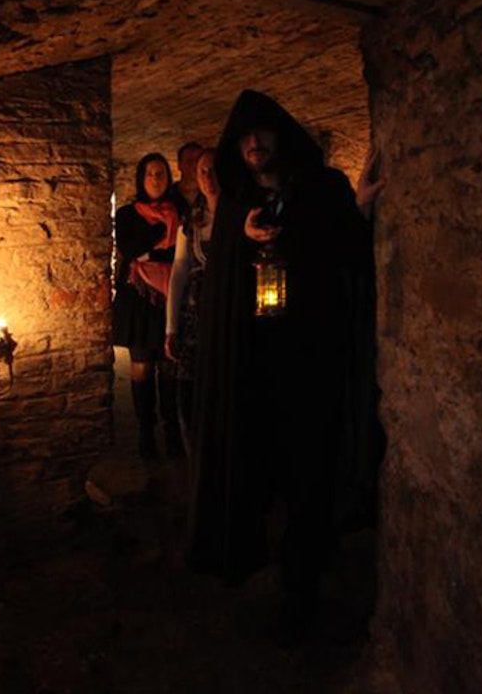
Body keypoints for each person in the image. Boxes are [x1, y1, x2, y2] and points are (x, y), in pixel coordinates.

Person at [186, 90, 386, 641]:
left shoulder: (322, 189)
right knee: (259, 470)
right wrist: (245, 242)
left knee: (311, 473)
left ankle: (303, 585)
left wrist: (361, 207)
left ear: (281, 134)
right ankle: (262, 560)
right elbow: (225, 274)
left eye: (263, 133)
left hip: (312, 362)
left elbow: (344, 249)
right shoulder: (236, 204)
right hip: (255, 369)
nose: (254, 144)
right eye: (245, 136)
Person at [113, 153, 183, 459]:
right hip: (140, 300)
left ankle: (171, 430)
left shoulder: (178, 211)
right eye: (151, 174)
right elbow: (129, 250)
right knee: (142, 367)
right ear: (142, 179)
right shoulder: (128, 213)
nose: (156, 179)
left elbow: (179, 256)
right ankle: (145, 432)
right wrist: (157, 235)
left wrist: (149, 254)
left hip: (169, 295)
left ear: (168, 179)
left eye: (161, 174)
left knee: (168, 366)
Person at [164, 148, 219, 447]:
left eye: (214, 171)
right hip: (194, 317)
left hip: (226, 313)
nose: (209, 178)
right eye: (203, 172)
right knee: (190, 393)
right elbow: (180, 268)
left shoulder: (241, 216)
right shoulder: (192, 219)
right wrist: (171, 327)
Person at [173, 140, 204, 210]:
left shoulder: (210, 193)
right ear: (179, 165)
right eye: (189, 161)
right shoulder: (168, 195)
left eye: (198, 161)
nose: (194, 165)